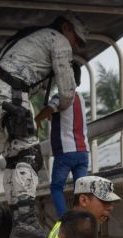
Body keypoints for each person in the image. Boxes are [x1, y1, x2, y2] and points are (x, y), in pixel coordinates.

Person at [0, 12, 87, 238]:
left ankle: (18, 220)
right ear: (66, 28)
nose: (75, 47)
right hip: (10, 92)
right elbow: (67, 94)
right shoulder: (58, 41)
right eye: (76, 40)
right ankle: (25, 222)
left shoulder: (29, 36)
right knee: (29, 155)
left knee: (13, 157)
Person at [35, 61, 89, 220]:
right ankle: (82, 219)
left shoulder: (61, 97)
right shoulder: (81, 98)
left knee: (57, 187)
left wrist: (37, 119)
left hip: (65, 152)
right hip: (82, 152)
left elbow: (50, 109)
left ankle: (65, 220)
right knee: (81, 190)